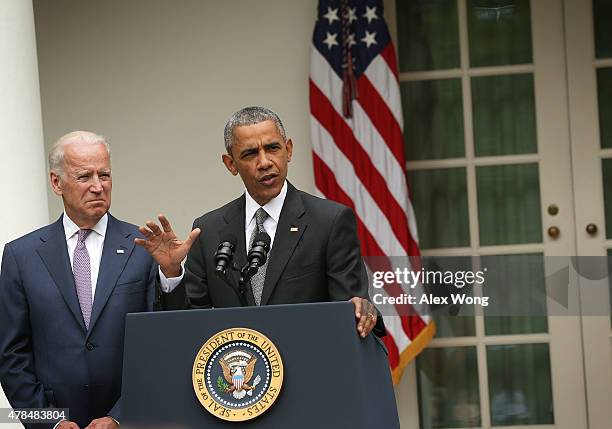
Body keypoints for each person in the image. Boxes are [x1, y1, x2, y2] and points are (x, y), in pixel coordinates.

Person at [136, 106, 383, 337]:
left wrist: (361, 309)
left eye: (273, 148)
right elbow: (188, 325)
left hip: (310, 371)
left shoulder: (329, 221)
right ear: (230, 164)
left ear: (289, 150)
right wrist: (172, 272)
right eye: (250, 153)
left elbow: (352, 312)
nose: (264, 162)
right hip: (237, 377)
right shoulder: (209, 230)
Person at [0, 131, 179, 429]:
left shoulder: (144, 246)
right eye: (85, 176)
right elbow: (10, 356)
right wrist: (49, 423)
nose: (98, 186)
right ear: (57, 183)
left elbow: (161, 346)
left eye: (105, 175)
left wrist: (120, 417)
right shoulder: (21, 255)